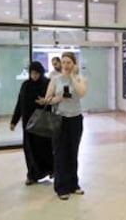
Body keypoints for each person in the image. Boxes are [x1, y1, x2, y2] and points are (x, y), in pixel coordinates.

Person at [40, 52, 87, 200]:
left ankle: (74, 184)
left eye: (69, 62)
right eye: (64, 62)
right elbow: (47, 99)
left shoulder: (80, 79)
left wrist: (72, 77)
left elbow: (81, 93)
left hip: (76, 120)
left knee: (73, 153)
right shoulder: (55, 79)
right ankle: (61, 187)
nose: (66, 65)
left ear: (74, 64)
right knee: (60, 154)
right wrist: (60, 98)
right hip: (60, 119)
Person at [10, 61, 54, 185]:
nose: (34, 76)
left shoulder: (48, 83)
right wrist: (14, 121)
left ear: (41, 72)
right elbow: (19, 103)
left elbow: (54, 101)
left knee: (45, 148)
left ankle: (51, 170)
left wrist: (45, 102)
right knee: (30, 149)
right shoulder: (25, 85)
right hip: (28, 124)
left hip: (43, 122)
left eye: (37, 73)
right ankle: (32, 175)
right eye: (32, 73)